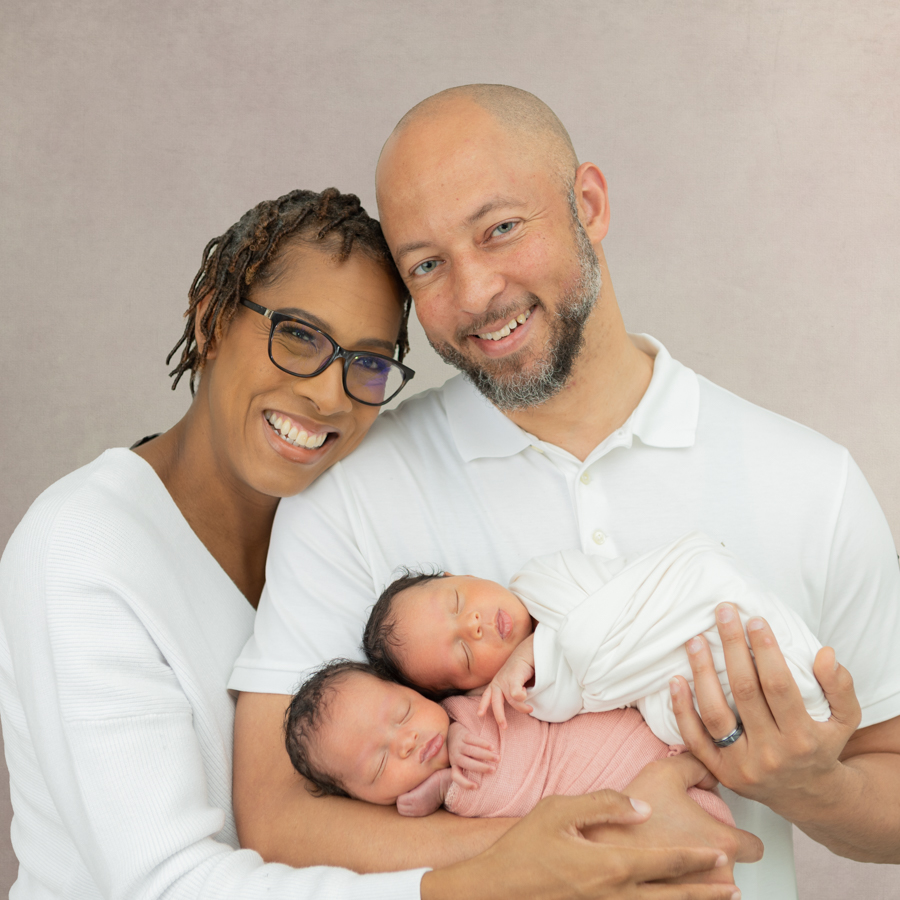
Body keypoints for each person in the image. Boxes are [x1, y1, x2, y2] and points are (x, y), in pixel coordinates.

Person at [229, 85, 900, 900]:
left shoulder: (811, 481)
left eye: (501, 228)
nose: (475, 294)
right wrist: (578, 842)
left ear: (589, 203)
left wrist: (810, 786)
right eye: (428, 265)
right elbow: (275, 815)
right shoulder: (348, 494)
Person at [1, 186, 734, 900]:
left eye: (368, 362)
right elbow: (162, 884)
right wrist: (519, 862)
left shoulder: (331, 528)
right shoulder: (84, 551)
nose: (328, 395)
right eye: (298, 337)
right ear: (212, 320)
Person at [362, 532, 830, 744]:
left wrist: (529, 651)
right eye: (464, 653)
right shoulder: (535, 699)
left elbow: (660, 582)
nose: (474, 625)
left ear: (457, 574)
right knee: (672, 721)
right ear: (473, 689)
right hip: (668, 675)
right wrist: (531, 666)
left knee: (708, 575)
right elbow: (585, 689)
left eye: (458, 603)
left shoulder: (544, 576)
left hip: (692, 591)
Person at [284, 659, 734, 825]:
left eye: (402, 713)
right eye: (379, 765)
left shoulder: (472, 702)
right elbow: (506, 791)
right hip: (628, 798)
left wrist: (458, 736)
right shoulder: (452, 811)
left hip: (654, 737)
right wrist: (446, 790)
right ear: (357, 798)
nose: (405, 741)